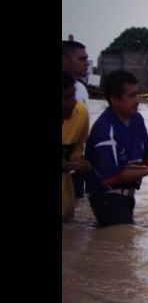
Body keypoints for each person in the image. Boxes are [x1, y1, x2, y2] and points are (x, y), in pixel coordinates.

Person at [84, 70, 148, 226]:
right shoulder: (105, 130)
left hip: (127, 195)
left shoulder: (136, 118)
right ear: (114, 100)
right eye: (131, 96)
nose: (137, 100)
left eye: (137, 94)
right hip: (107, 198)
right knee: (119, 241)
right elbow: (114, 176)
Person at [62, 39, 90, 198]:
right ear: (65, 60)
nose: (86, 63)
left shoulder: (81, 89)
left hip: (73, 167)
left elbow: (81, 137)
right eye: (82, 59)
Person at [62, 72, 91, 222]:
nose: (73, 102)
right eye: (66, 98)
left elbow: (77, 146)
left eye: (73, 95)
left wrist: (79, 161)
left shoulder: (80, 113)